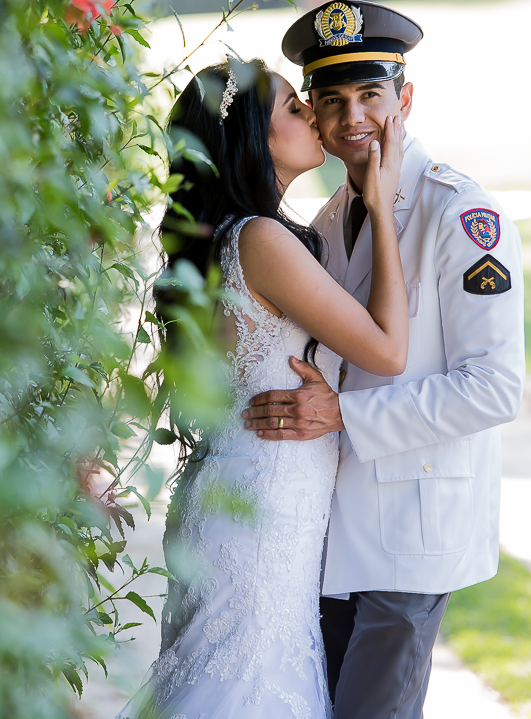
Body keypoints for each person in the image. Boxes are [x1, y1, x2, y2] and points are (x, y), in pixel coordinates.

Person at [241, 0, 526, 719]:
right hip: (331, 528)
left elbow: (493, 387)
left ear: (406, 99)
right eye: (332, 100)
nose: (352, 118)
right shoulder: (329, 219)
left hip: (413, 528)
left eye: (370, 94)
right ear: (313, 113)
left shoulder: (461, 215)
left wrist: (343, 415)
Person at [119, 56, 408, 719]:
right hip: (261, 511)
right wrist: (382, 207)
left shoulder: (228, 240)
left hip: (239, 496)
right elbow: (389, 351)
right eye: (293, 107)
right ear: (251, 137)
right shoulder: (260, 241)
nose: (314, 114)